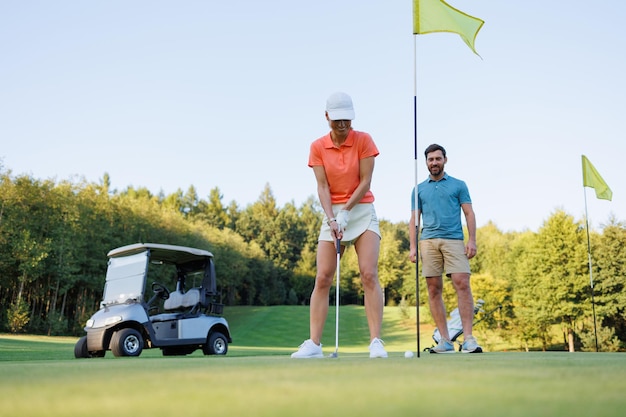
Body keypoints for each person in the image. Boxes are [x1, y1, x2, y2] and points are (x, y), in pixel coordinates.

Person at [291, 92, 387, 359]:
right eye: (337, 120)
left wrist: (346, 211)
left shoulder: (364, 140)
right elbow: (322, 186)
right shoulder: (317, 146)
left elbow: (365, 182)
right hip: (332, 214)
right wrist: (333, 217)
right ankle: (314, 344)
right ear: (326, 118)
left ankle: (376, 341)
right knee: (322, 277)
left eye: (347, 119)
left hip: (362, 209)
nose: (343, 125)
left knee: (368, 274)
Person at [409, 143, 482, 353]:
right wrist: (413, 247)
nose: (434, 163)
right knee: (433, 288)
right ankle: (445, 340)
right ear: (426, 162)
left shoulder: (459, 185)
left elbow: (469, 213)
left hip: (454, 240)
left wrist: (472, 240)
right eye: (430, 160)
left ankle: (468, 338)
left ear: (445, 160)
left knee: (462, 283)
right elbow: (414, 219)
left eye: (437, 159)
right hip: (428, 242)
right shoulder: (419, 189)